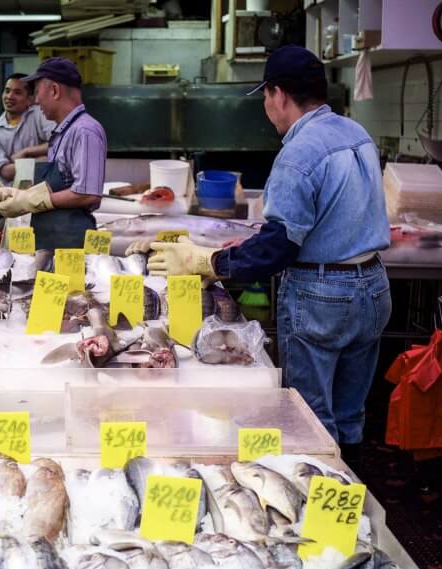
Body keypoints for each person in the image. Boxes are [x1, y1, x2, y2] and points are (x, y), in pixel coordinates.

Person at [145, 46, 391, 450]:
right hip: (373, 287)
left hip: (323, 296)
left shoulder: (299, 152)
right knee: (350, 412)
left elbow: (279, 247)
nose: (265, 106)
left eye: (264, 95)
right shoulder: (355, 133)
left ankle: (319, 494)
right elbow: (330, 218)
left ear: (279, 94)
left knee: (310, 418)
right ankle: (350, 494)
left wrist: (209, 261)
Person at [0, 57, 107, 249]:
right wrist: (19, 195)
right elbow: (62, 185)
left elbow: (88, 193)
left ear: (54, 90)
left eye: (36, 92)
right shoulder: (63, 132)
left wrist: (30, 201)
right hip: (53, 238)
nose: (36, 101)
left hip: (70, 243)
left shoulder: (84, 131)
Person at [0, 73, 56, 233]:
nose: (9, 96)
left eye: (17, 92)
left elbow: (58, 143)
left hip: (27, 207)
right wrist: (41, 159)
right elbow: (5, 171)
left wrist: (26, 152)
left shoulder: (38, 115)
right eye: (7, 91)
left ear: (30, 98)